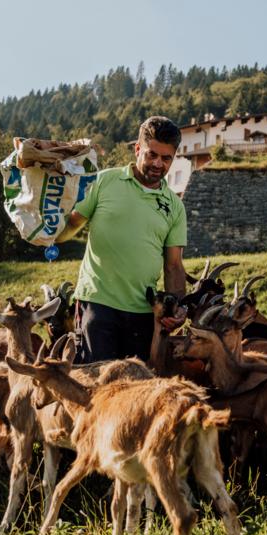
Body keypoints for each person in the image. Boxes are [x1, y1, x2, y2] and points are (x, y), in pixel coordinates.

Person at [68, 115, 188, 363]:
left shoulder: (175, 206)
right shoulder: (103, 181)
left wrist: (176, 307)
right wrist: (45, 233)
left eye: (166, 158)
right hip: (97, 305)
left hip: (142, 313)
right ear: (137, 149)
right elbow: (71, 224)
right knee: (94, 382)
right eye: (152, 155)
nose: (158, 164)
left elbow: (174, 266)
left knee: (136, 384)